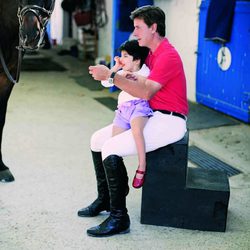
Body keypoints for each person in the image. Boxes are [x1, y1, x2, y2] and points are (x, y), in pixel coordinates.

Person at [78, 5, 188, 237]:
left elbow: (146, 92)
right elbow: (143, 81)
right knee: (97, 140)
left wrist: (110, 75)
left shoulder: (167, 54)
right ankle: (106, 200)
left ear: (154, 28)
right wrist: (123, 74)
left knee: (110, 147)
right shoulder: (155, 53)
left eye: (139, 27)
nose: (135, 32)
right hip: (155, 114)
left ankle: (120, 218)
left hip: (170, 121)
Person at [101, 39, 152, 189]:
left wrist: (136, 78)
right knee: (113, 144)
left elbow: (149, 84)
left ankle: (142, 166)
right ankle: (120, 180)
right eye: (121, 55)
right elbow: (106, 83)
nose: (121, 59)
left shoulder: (145, 71)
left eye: (125, 56)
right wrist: (116, 67)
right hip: (123, 110)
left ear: (136, 59)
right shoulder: (122, 72)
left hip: (139, 106)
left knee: (137, 131)